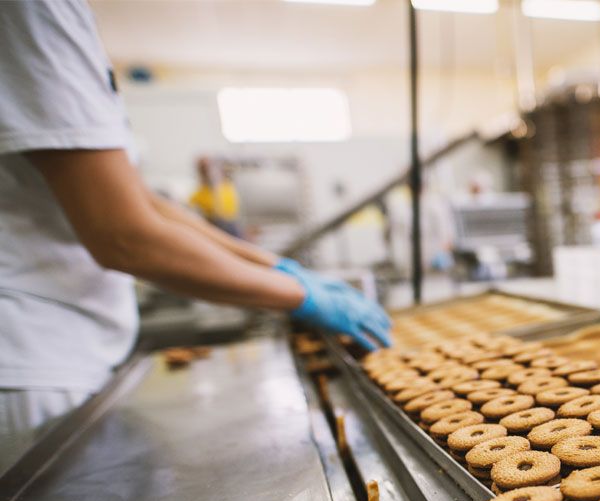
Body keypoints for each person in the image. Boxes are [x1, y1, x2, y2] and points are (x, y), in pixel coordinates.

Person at [0, 0, 391, 437]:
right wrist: (299, 295)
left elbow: (144, 204)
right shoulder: (32, 10)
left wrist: (276, 266)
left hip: (72, 348)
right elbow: (122, 235)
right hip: (33, 357)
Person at [189, 156, 243, 237]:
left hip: (229, 226)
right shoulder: (198, 194)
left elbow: (224, 212)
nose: (207, 172)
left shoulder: (227, 187)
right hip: (212, 228)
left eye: (209, 168)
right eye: (204, 169)